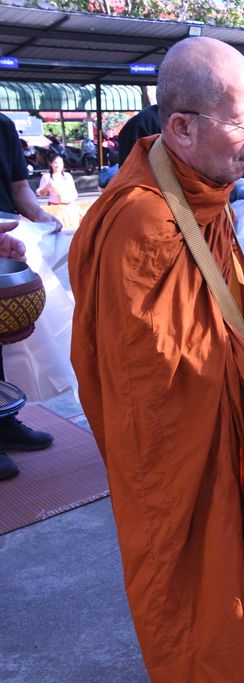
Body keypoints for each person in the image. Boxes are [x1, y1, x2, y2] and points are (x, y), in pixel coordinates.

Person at [68, 37, 244, 680]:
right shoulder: (139, 221)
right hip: (173, 454)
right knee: (197, 588)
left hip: (219, 423)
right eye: (243, 120)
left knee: (237, 570)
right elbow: (150, 370)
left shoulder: (192, 184)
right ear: (181, 127)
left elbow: (215, 269)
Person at [0, 112, 58, 481]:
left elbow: (19, 189)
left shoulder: (3, 126)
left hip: (5, 241)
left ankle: (3, 421)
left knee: (3, 342)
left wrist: (42, 219)